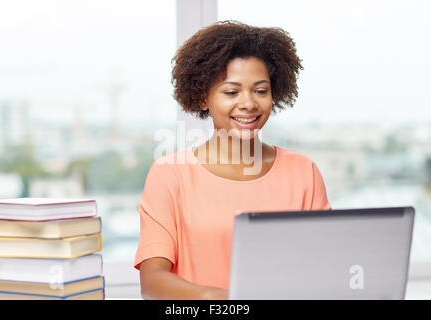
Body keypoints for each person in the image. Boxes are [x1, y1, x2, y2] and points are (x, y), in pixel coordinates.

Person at [134, 20, 331, 300]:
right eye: (231, 92)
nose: (249, 103)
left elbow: (324, 268)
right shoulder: (170, 175)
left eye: (261, 91)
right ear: (203, 97)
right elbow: (152, 283)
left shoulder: (303, 172)